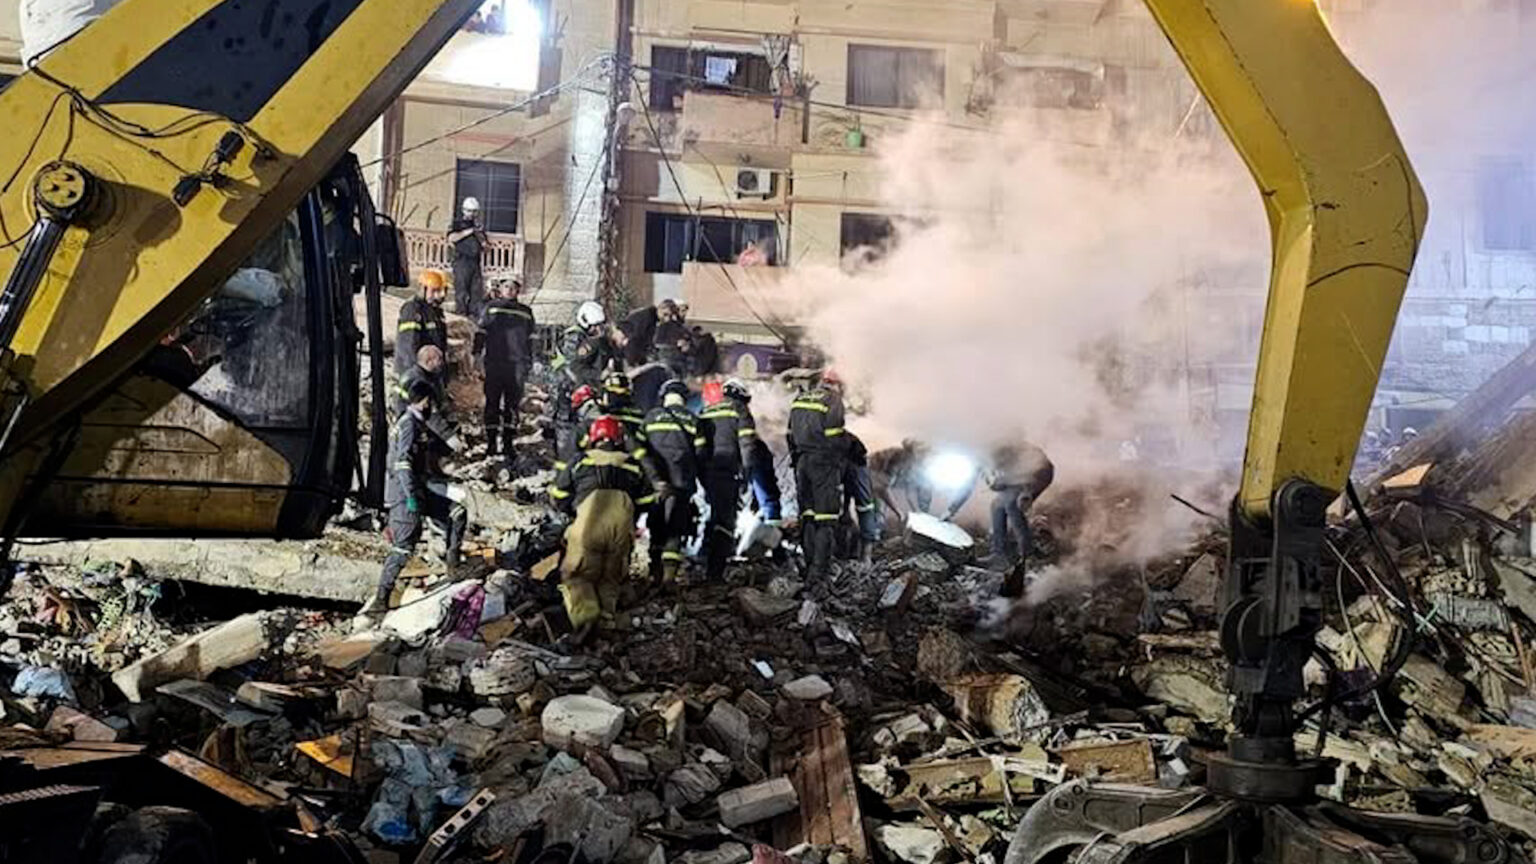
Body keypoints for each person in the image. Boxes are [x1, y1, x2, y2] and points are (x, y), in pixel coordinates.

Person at [365, 378, 469, 617]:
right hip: (405, 495)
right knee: (404, 548)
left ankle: (453, 566)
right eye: (431, 402)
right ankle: (381, 599)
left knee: (457, 512)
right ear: (424, 401)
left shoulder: (417, 424)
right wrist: (411, 496)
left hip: (420, 490)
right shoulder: (409, 425)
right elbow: (402, 463)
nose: (433, 407)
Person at [548, 416, 656, 643]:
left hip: (589, 522)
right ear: (618, 439)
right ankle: (606, 620)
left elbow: (558, 494)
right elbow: (647, 499)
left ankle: (587, 619)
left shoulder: (581, 460)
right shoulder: (632, 463)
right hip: (622, 527)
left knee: (576, 573)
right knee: (610, 576)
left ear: (593, 437)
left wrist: (571, 512)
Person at [946, 441, 1055, 568]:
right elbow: (967, 486)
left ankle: (1027, 554)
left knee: (1011, 504)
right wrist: (951, 510)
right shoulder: (979, 457)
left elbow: (1027, 471)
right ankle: (999, 555)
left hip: (1039, 473)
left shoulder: (1003, 450)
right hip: (1017, 477)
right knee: (997, 506)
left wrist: (1025, 492)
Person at [643, 379, 709, 585]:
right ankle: (669, 577)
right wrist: (705, 484)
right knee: (675, 530)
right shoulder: (693, 420)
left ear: (664, 397)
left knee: (656, 527)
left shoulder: (651, 417)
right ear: (684, 398)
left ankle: (654, 573)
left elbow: (641, 451)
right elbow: (701, 456)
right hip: (682, 484)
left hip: (656, 485)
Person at [788, 369, 850, 581]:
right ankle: (819, 573)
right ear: (837, 384)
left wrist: (796, 459)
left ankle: (809, 565)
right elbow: (834, 435)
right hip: (823, 462)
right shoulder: (833, 399)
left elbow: (789, 434)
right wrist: (842, 457)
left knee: (807, 515)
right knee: (826, 518)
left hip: (802, 462)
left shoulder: (800, 399)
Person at [700, 378, 759, 581]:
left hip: (710, 474)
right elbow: (747, 444)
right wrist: (747, 474)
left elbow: (700, 448)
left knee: (716, 515)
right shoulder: (740, 410)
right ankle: (715, 572)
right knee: (726, 521)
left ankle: (704, 557)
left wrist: (703, 477)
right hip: (729, 472)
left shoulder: (707, 411)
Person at [477, 277, 535, 463]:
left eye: (513, 287)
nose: (509, 290)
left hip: (517, 365)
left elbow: (532, 339)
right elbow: (481, 332)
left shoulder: (526, 312)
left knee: (512, 406)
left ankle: (508, 444)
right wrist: (476, 356)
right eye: (506, 286)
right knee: (492, 404)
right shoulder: (491, 307)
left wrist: (530, 362)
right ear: (500, 289)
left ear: (518, 290)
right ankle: (491, 443)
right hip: (494, 363)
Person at [396, 269, 449, 378]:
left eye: (443, 290)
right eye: (435, 290)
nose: (440, 295)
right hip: (415, 372)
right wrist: (417, 375)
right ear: (423, 289)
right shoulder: (412, 310)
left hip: (432, 370)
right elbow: (408, 345)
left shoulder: (436, 312)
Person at [869, 439, 935, 520]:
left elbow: (882, 490)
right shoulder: (887, 468)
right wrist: (897, 511)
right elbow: (881, 490)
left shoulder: (897, 468)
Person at [841, 433, 880, 565]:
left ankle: (865, 554)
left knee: (865, 507)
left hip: (854, 462)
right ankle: (858, 553)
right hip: (845, 464)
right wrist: (845, 509)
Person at [447, 197, 488, 320]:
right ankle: (461, 314)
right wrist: (468, 231)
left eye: (474, 211)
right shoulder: (457, 224)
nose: (472, 214)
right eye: (470, 211)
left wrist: (481, 239)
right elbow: (451, 238)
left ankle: (474, 315)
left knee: (476, 291)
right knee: (462, 291)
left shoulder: (479, 226)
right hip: (461, 261)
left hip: (475, 262)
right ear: (464, 210)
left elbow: (486, 246)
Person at [393, 344, 445, 419]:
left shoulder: (429, 376)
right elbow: (430, 416)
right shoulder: (418, 381)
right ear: (429, 361)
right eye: (439, 359)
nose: (442, 363)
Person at [653, 300, 691, 377]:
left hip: (680, 357)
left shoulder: (679, 326)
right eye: (681, 311)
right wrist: (676, 343)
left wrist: (686, 343)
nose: (684, 314)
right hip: (667, 357)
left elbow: (687, 336)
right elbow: (657, 342)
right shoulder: (661, 326)